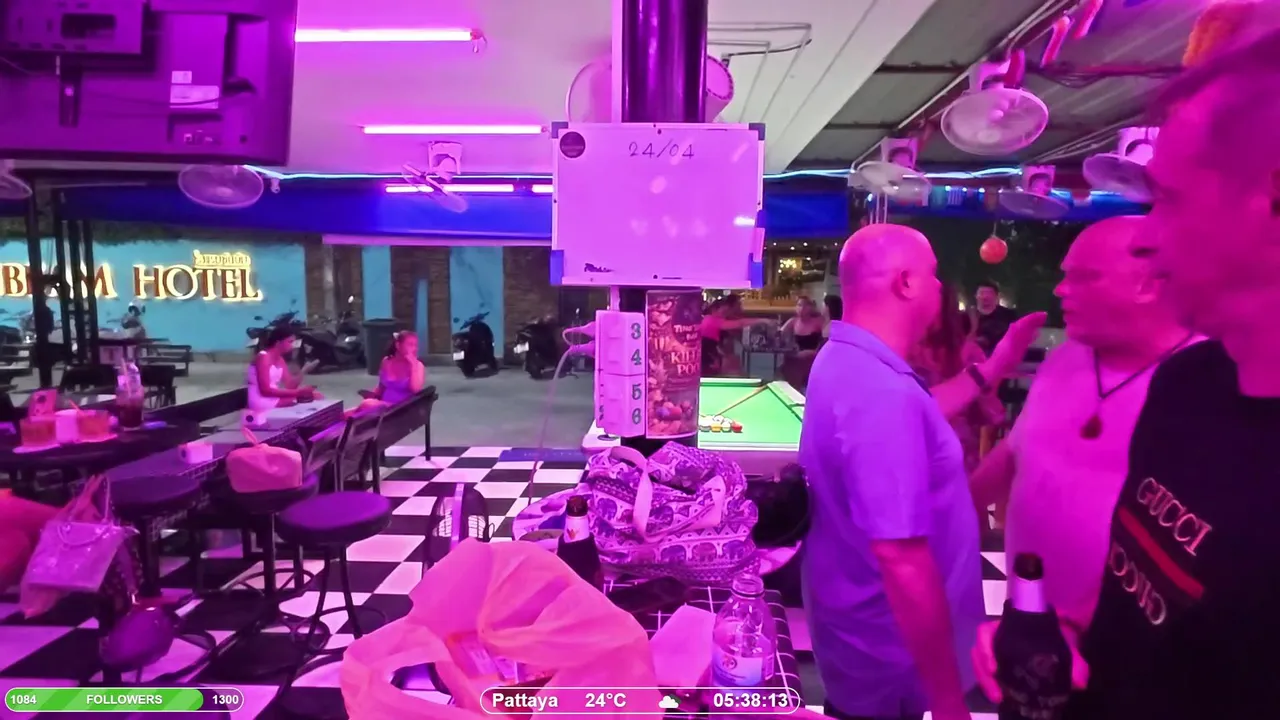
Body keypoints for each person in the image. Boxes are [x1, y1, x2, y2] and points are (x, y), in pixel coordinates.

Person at [973, 24, 1280, 720]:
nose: (1150, 238)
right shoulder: (1189, 385)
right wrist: (1067, 628)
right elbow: (1139, 580)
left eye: (1168, 198)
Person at [801, 223, 1015, 720]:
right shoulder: (880, 391)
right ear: (905, 283)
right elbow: (902, 559)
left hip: (864, 639)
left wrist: (993, 368)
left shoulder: (846, 358)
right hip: (890, 657)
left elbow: (913, 426)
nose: (940, 288)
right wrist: (947, 701)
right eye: (933, 275)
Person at [970, 216, 1200, 631]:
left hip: (1135, 639)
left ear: (1149, 284)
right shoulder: (1066, 358)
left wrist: (1080, 624)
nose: (1061, 289)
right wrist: (948, 518)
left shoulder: (1207, 381)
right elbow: (1015, 450)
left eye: (1085, 277)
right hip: (1029, 617)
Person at [908, 281, 1007, 474]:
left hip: (909, 448)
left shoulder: (902, 350)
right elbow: (989, 410)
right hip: (956, 448)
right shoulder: (970, 353)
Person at [248, 324, 320, 411]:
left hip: (272, 397)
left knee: (316, 397)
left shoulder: (280, 359)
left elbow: (290, 385)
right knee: (307, 401)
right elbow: (265, 390)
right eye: (289, 342)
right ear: (278, 342)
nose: (292, 346)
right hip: (261, 400)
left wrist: (304, 370)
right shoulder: (264, 357)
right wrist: (299, 392)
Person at [699, 294, 773, 376]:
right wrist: (763, 320)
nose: (724, 315)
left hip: (706, 353)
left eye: (726, 312)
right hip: (706, 355)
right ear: (714, 310)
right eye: (723, 312)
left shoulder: (708, 319)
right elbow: (740, 323)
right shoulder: (712, 321)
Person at [354, 331, 426, 412]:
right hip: (383, 408)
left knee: (366, 404)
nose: (415, 349)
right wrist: (372, 396)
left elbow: (416, 390)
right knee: (348, 413)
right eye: (410, 345)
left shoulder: (418, 366)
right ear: (398, 345)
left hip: (401, 409)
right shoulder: (386, 361)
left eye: (415, 345)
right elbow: (381, 387)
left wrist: (413, 366)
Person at [972, 280, 1018, 354]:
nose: (985, 297)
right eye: (982, 293)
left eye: (989, 293)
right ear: (976, 296)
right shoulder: (967, 316)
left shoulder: (1008, 315)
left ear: (996, 296)